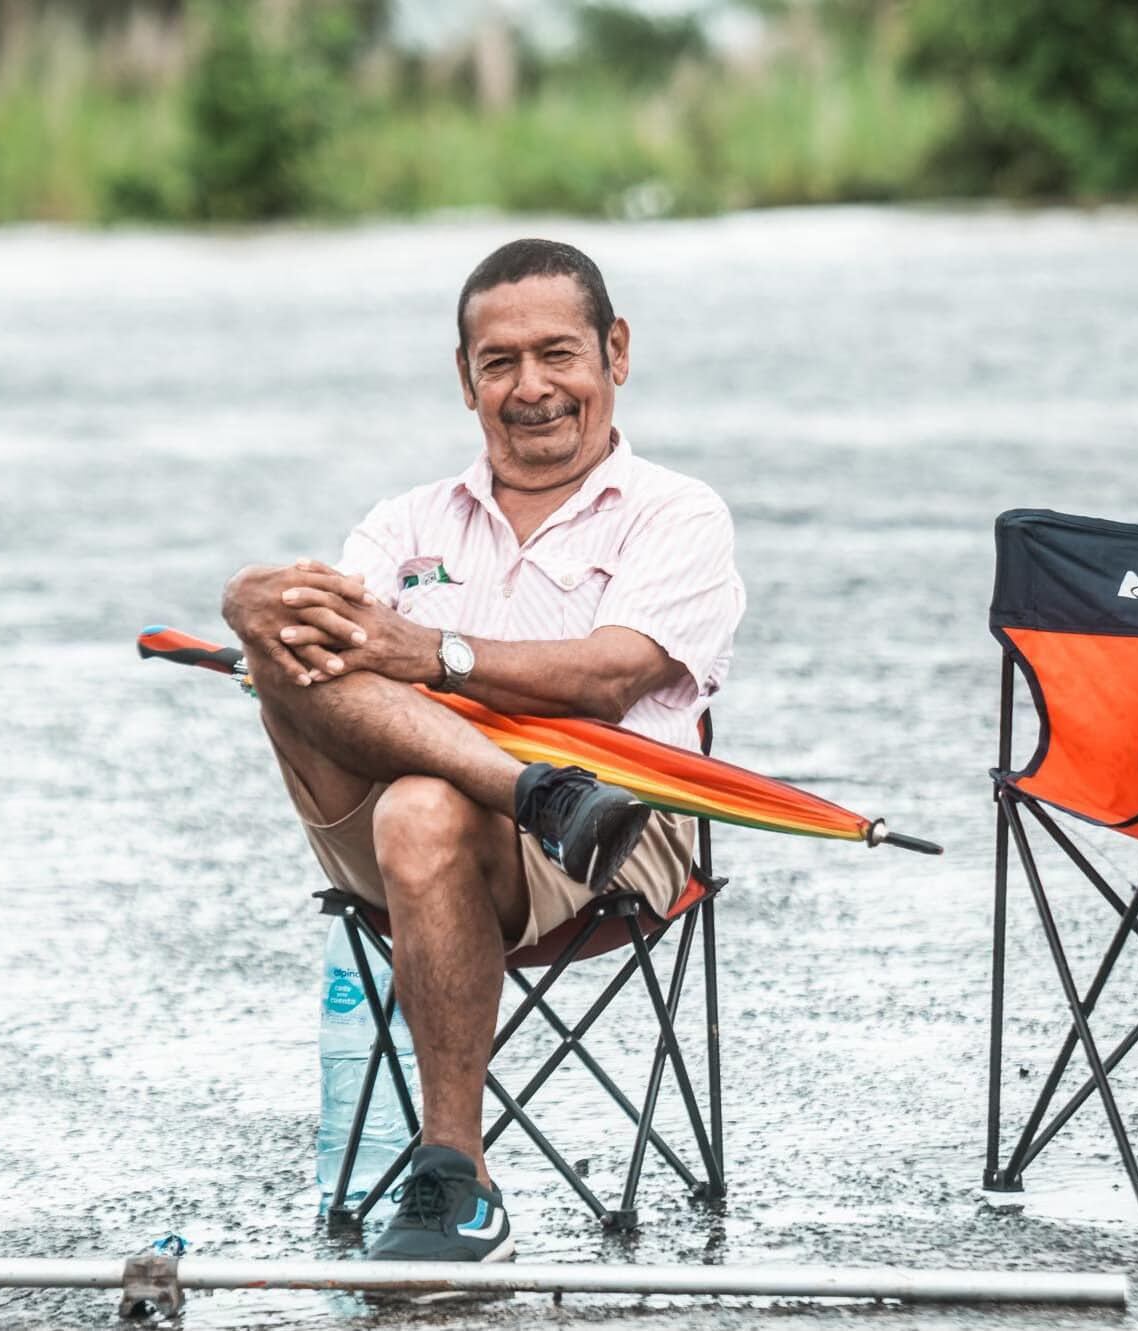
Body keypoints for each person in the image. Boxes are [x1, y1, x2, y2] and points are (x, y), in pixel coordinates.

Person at [220, 239, 746, 1266]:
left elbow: (611, 675)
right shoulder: (403, 521)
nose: (531, 387)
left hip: (616, 831)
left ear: (615, 351)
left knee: (420, 802)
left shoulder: (677, 512)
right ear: (465, 379)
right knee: (275, 624)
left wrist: (433, 653)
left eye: (558, 354)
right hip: (409, 821)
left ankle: (454, 1174)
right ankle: (531, 789)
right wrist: (250, 605)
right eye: (499, 362)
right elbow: (318, 649)